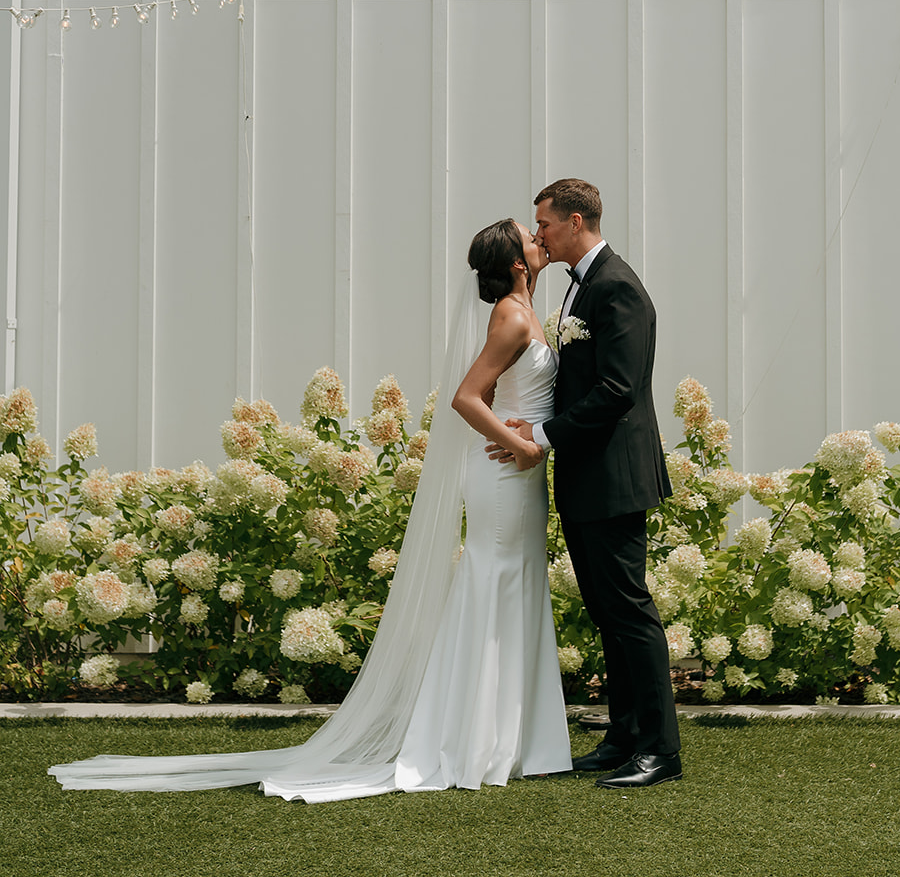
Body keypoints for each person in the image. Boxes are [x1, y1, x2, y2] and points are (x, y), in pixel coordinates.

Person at [50, 220, 572, 799]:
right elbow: (465, 398)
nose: (538, 238)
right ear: (518, 263)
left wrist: (532, 436)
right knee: (493, 581)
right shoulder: (512, 314)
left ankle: (514, 738)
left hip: (519, 468)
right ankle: (476, 740)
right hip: (505, 471)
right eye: (531, 235)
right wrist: (523, 445)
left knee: (517, 584)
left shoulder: (523, 311)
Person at [490, 178, 681, 789]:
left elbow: (618, 391)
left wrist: (541, 436)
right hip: (585, 475)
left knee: (629, 612)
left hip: (614, 478)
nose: (538, 233)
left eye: (544, 223)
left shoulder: (617, 287)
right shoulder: (580, 285)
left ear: (576, 221)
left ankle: (660, 750)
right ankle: (623, 736)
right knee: (607, 611)